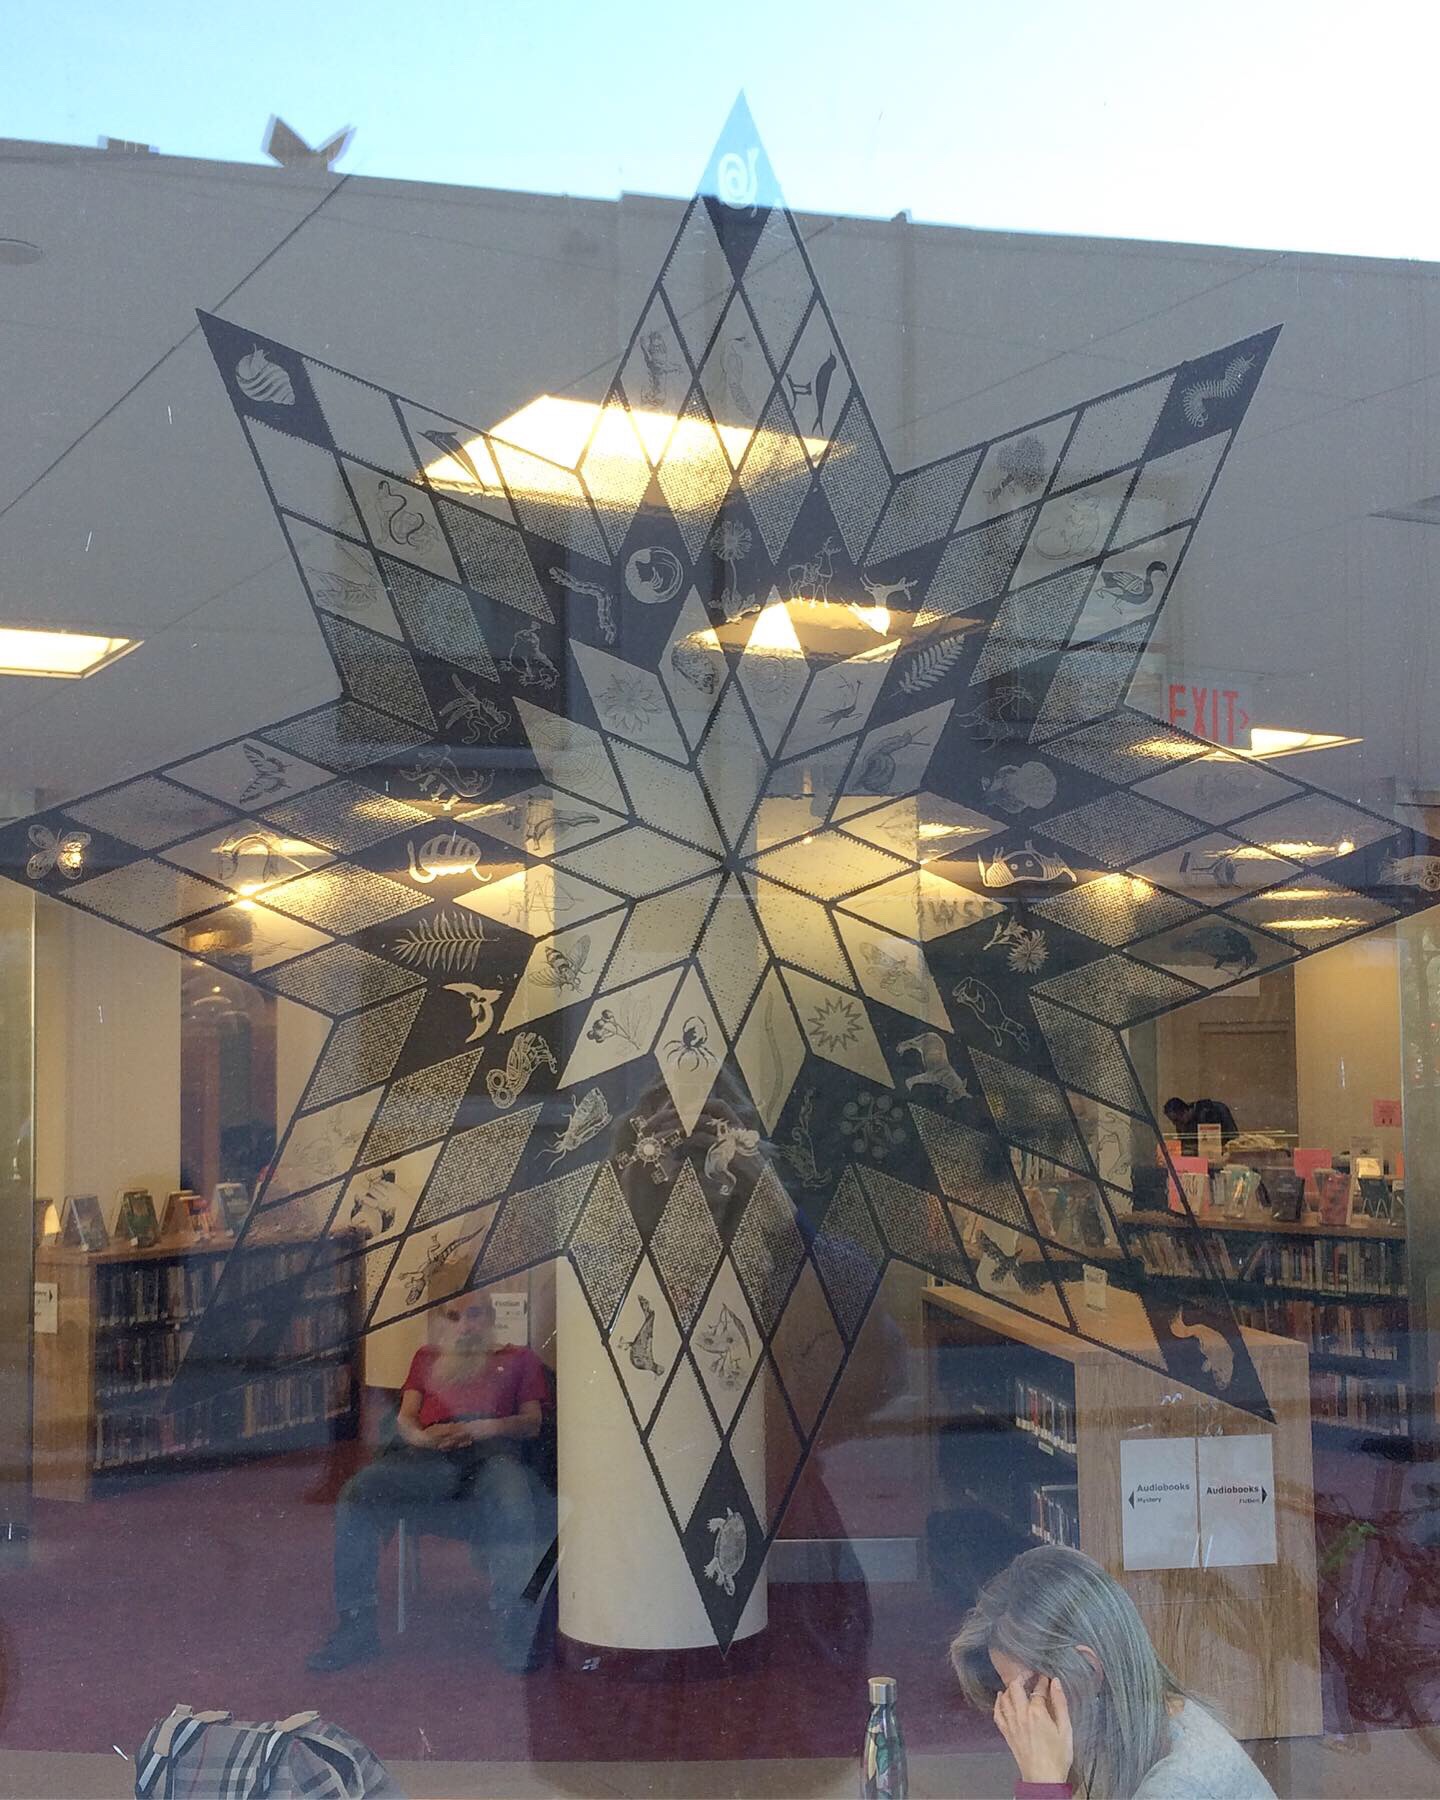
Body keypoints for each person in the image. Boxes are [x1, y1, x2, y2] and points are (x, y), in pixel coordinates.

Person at [307, 1290, 549, 1674]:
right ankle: (356, 1627)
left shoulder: (519, 1359)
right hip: (429, 1456)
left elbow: (532, 1421)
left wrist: (481, 1427)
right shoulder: (426, 1358)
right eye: (455, 1317)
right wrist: (422, 1438)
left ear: (490, 1321)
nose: (465, 1326)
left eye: (474, 1316)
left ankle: (513, 1625)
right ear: (443, 1324)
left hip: (492, 1454)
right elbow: (406, 1418)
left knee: (514, 1496)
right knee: (357, 1494)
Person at [950, 1545, 1274, 1799]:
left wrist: (1042, 1786)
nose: (1021, 1716)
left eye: (1028, 1693)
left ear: (1089, 1671)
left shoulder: (1179, 1784)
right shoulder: (1114, 1726)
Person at [1162, 1096, 1238, 1157]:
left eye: (1176, 1120)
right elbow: (1187, 1150)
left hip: (1220, 1156)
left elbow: (1233, 1139)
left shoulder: (1213, 1111)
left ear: (1185, 1112)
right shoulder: (1182, 1124)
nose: (1175, 1124)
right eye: (1173, 1121)